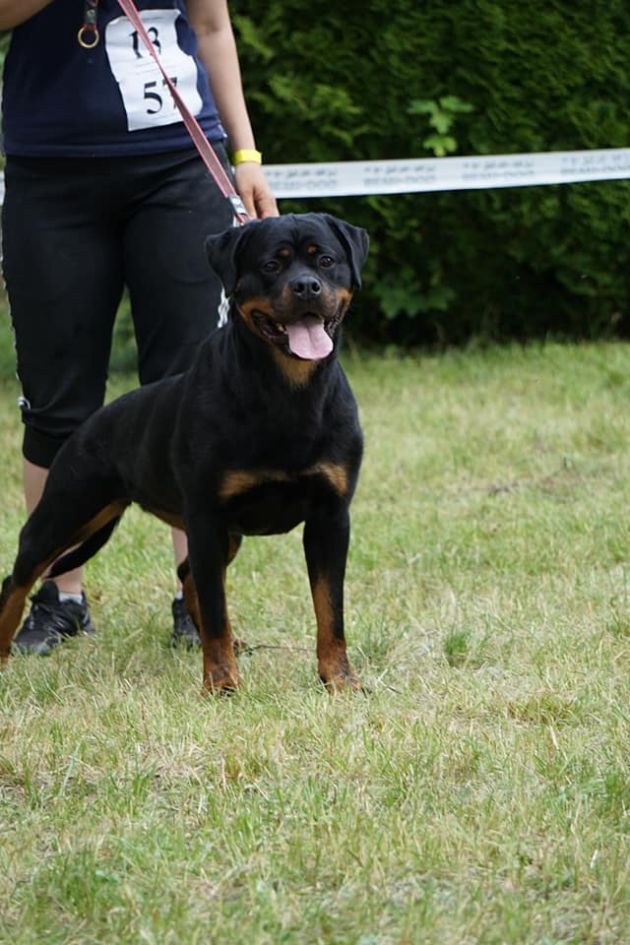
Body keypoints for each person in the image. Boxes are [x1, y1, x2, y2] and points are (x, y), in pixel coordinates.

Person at [0, 0, 277, 654]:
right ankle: (60, 597)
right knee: (57, 402)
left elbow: (211, 26)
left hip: (179, 166)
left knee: (195, 392)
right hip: (50, 175)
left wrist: (246, 154)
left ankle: (198, 598)